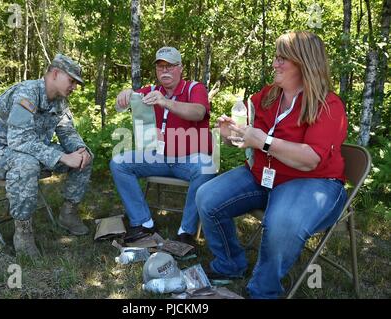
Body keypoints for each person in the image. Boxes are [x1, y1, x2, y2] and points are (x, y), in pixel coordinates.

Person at [196, 31, 348, 298]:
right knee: (207, 197)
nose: (275, 64)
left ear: (304, 63)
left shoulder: (328, 105)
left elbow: (310, 159)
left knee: (281, 223)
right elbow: (245, 132)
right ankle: (230, 264)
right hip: (264, 176)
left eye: (282, 59)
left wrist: (264, 142)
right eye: (276, 57)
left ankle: (263, 291)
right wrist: (232, 132)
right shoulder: (268, 95)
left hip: (314, 183)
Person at [0, 54, 93, 257]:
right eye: (72, 80)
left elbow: (67, 131)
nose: (74, 87)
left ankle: (68, 213)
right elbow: (19, 141)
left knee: (85, 156)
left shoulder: (59, 101)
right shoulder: (26, 93)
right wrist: (62, 158)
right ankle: (23, 233)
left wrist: (79, 149)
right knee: (26, 163)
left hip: (32, 150)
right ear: (55, 74)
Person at [110, 47, 216, 245]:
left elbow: (199, 112)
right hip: (158, 157)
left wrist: (165, 102)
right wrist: (125, 94)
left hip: (189, 158)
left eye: (170, 66)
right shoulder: (152, 90)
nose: (164, 71)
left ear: (180, 68)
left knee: (207, 167)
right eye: (160, 67)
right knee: (119, 162)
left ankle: (186, 232)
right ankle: (143, 223)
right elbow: (124, 103)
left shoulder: (195, 88)